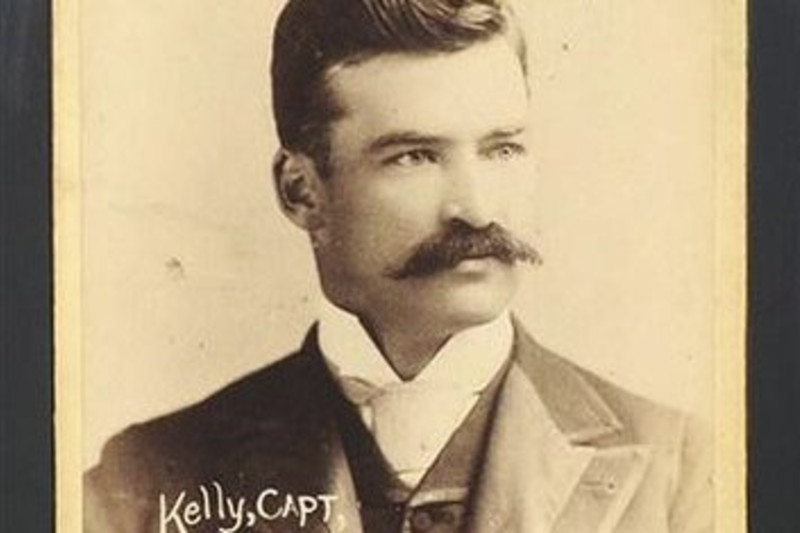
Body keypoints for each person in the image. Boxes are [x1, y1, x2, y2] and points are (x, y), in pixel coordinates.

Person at [84, 0, 713, 531]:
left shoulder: (679, 470)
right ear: (301, 192)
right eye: (415, 156)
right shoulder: (142, 478)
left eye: (503, 149)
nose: (476, 208)